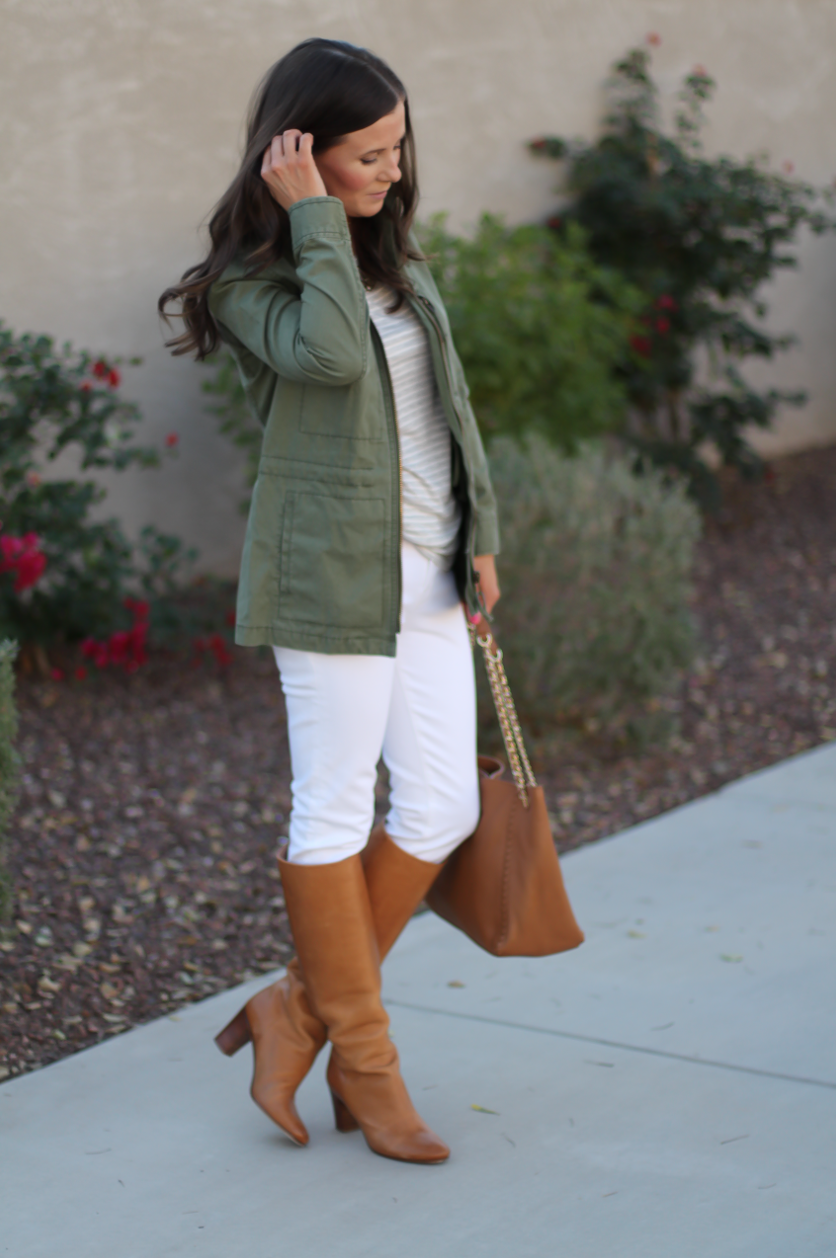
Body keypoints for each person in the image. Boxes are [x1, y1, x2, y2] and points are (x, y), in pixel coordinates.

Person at [159, 38, 500, 1166]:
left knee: (444, 805)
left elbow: (448, 407)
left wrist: (482, 538)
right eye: (367, 152)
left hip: (431, 572)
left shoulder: (397, 258)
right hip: (328, 577)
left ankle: (293, 1012)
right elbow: (329, 360)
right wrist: (309, 220)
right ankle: (367, 1063)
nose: (392, 172)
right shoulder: (254, 282)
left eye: (400, 147)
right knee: (334, 809)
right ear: (297, 153)